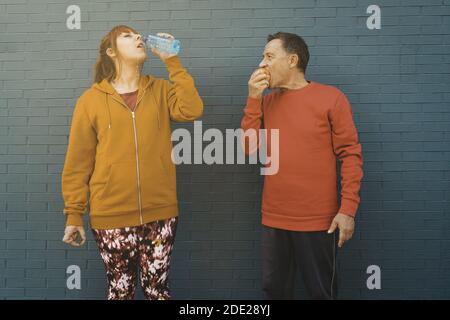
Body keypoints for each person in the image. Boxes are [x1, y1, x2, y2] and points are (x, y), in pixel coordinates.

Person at [61, 25, 203, 300]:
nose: (138, 37)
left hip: (161, 216)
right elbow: (78, 163)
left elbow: (192, 109)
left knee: (157, 292)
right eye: (128, 35)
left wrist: (172, 61)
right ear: (111, 52)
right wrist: (74, 214)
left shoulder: (161, 90)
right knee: (120, 291)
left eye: (138, 34)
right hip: (110, 216)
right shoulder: (90, 101)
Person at [241, 32, 363, 299]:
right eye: (263, 57)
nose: (262, 64)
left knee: (321, 292)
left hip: (320, 222)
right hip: (274, 220)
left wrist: (348, 210)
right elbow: (248, 149)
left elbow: (351, 155)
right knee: (275, 291)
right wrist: (253, 99)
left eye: (269, 56)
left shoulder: (331, 98)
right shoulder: (266, 101)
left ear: (292, 59)